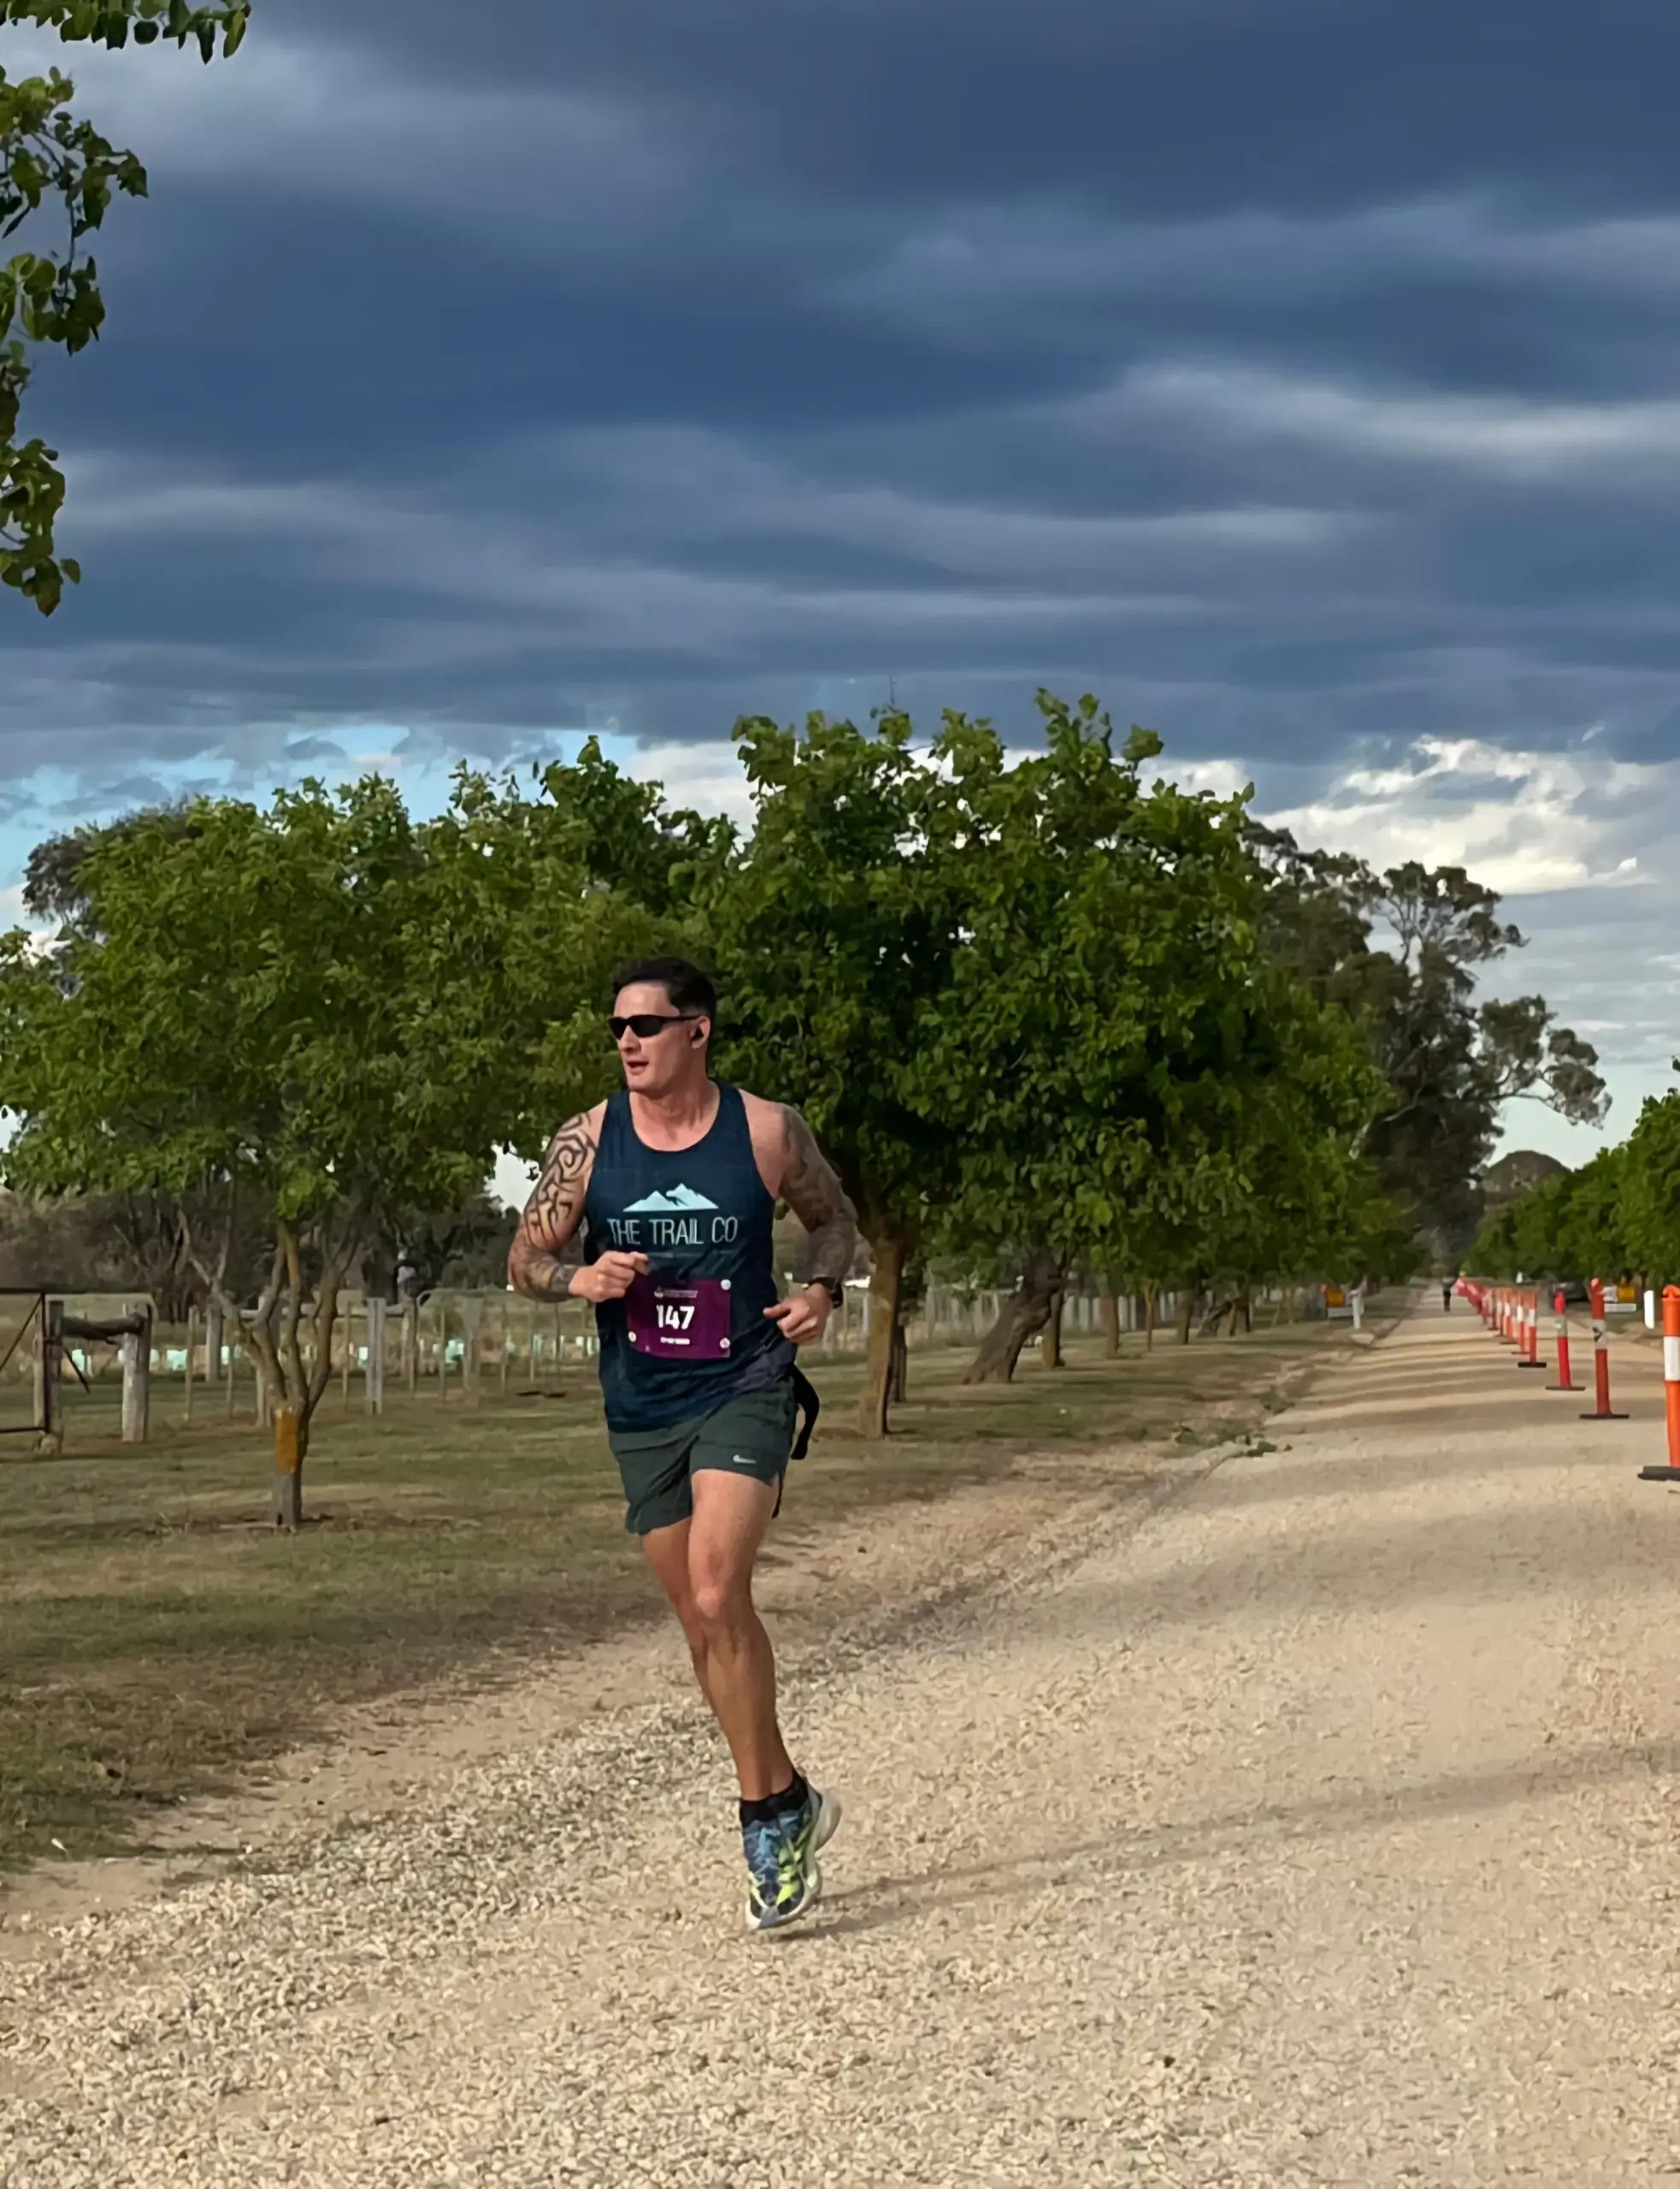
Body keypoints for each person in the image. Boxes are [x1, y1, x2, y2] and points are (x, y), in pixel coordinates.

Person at [509, 957, 860, 1932]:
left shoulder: (766, 1130)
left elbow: (835, 1224)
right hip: (642, 1404)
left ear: (696, 1031)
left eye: (646, 1026)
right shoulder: (587, 1141)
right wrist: (577, 1281)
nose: (627, 1042)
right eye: (617, 1028)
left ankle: (762, 1825)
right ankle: (789, 1795)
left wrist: (821, 1291)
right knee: (703, 1625)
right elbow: (525, 1257)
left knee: (715, 1591)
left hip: (744, 1385)